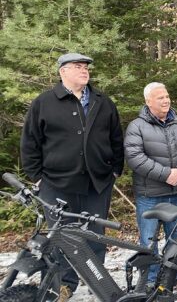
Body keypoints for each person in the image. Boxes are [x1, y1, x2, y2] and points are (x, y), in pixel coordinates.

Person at [20, 53, 124, 296]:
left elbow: (116, 138)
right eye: (78, 67)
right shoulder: (44, 102)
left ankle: (97, 283)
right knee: (62, 238)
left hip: (97, 183)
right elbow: (30, 143)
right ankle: (64, 287)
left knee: (95, 236)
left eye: (86, 67)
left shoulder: (102, 101)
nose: (84, 70)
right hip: (57, 184)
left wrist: (116, 170)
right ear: (62, 72)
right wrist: (37, 177)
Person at [124, 82, 177, 284]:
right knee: (148, 241)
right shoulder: (136, 127)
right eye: (160, 98)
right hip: (149, 196)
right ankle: (150, 279)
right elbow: (135, 157)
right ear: (148, 101)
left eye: (167, 96)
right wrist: (166, 174)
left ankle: (175, 274)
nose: (166, 100)